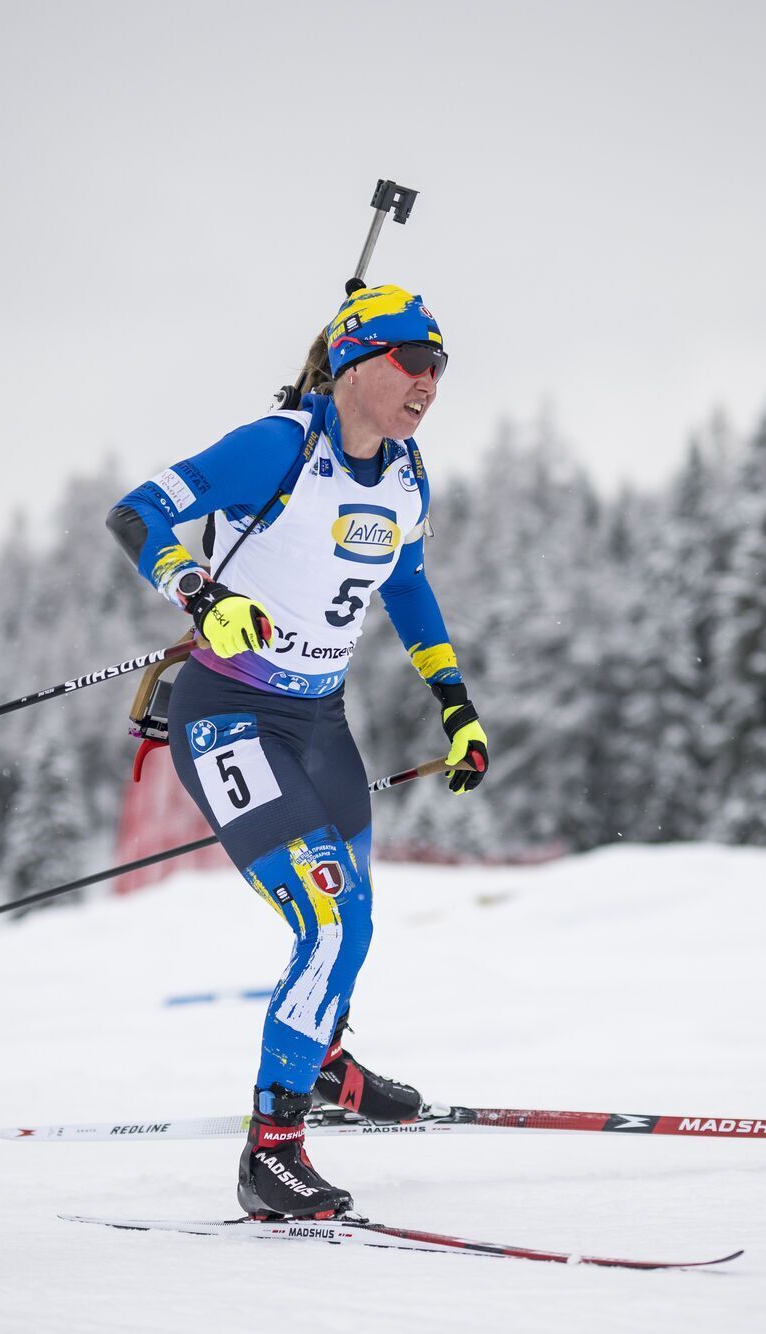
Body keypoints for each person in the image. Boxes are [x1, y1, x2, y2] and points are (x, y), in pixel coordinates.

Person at [105, 284, 489, 1220]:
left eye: (441, 365)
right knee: (332, 922)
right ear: (356, 362)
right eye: (412, 360)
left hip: (320, 723)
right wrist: (199, 591)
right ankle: (270, 1155)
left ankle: (320, 1065)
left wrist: (457, 706)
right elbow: (136, 513)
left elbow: (407, 589)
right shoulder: (278, 445)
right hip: (229, 713)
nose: (430, 382)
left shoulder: (406, 474)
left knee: (349, 916)